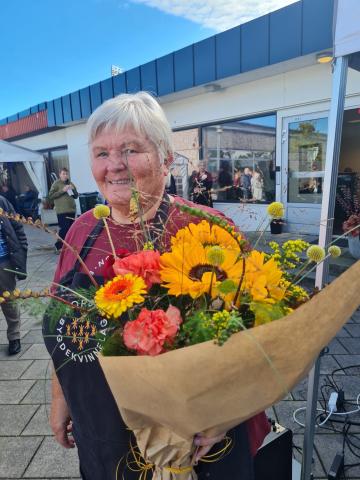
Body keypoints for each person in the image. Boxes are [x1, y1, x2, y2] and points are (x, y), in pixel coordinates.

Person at [43, 92, 269, 480]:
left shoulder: (208, 230)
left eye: (131, 150)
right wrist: (61, 397)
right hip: (104, 433)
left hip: (198, 441)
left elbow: (263, 339)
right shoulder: (80, 233)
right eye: (101, 153)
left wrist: (229, 413)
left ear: (165, 158)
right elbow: (66, 327)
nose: (114, 166)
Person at [0, 195, 27, 355]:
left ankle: (14, 336)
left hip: (4, 262)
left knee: (9, 299)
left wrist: (22, 248)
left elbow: (17, 226)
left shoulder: (2, 201)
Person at [48, 168, 78, 253]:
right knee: (64, 229)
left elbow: (76, 196)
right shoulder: (56, 184)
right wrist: (62, 190)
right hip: (61, 211)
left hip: (71, 210)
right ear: (60, 174)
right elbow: (50, 196)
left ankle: (68, 246)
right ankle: (58, 246)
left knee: (71, 230)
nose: (65, 175)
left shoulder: (70, 183)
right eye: (63, 174)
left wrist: (73, 189)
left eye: (66, 174)